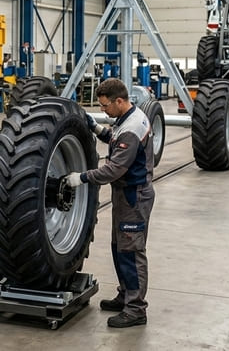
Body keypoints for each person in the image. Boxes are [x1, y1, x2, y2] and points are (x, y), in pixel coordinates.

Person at [62, 78, 155, 328]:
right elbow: (114, 138)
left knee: (131, 253)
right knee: (119, 248)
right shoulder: (127, 119)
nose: (103, 110)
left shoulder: (132, 128)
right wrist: (95, 128)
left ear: (120, 101)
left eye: (105, 106)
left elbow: (114, 169)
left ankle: (136, 309)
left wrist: (80, 178)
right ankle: (126, 295)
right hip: (125, 195)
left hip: (134, 196)